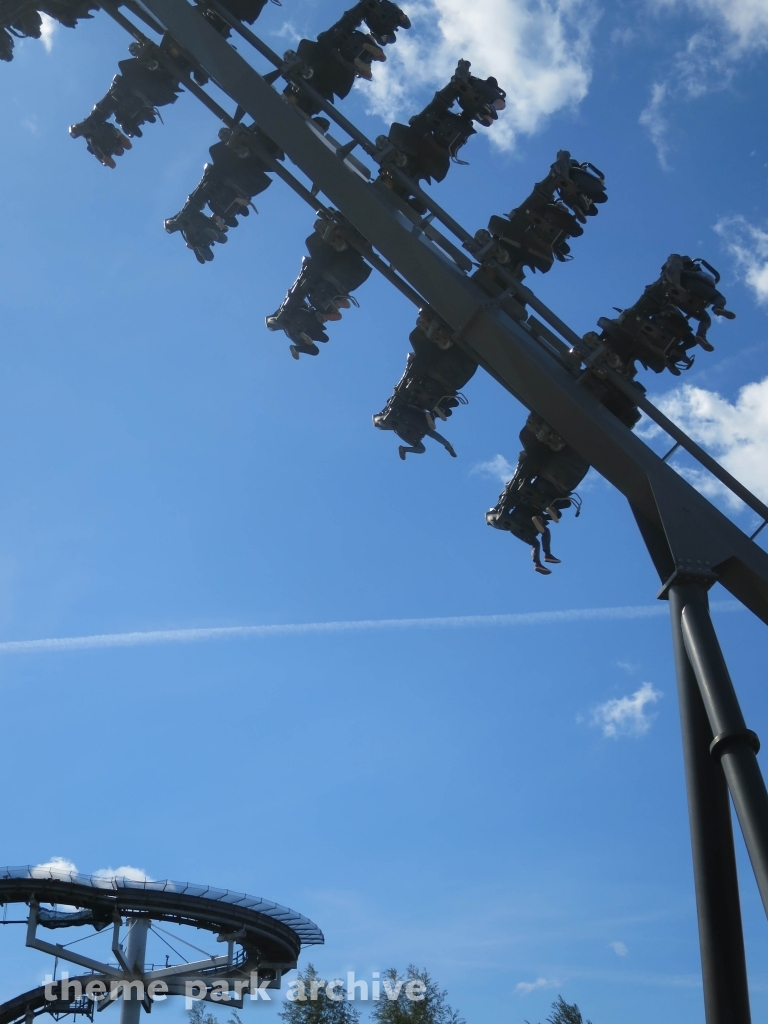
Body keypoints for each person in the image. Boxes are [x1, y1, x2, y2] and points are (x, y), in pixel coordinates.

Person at [377, 60, 505, 211]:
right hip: (428, 145)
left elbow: (489, 117)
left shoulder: (481, 89)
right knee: (429, 116)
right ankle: (400, 159)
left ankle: (400, 159)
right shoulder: (481, 89)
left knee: (430, 115)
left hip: (430, 146)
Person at [592, 253, 736, 376]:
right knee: (705, 318)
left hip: (671, 315)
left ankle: (676, 354)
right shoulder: (688, 280)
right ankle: (711, 318)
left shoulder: (672, 287)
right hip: (677, 312)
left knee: (687, 337)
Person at [165, 123, 282, 262]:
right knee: (208, 193)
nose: (223, 137)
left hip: (239, 179)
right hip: (237, 182)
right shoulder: (224, 156)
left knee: (207, 191)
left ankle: (198, 235)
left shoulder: (227, 154)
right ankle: (201, 236)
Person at [372, 312, 478, 456]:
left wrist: (446, 444)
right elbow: (432, 437)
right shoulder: (406, 424)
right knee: (442, 410)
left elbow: (431, 437)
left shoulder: (399, 409)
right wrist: (447, 445)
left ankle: (434, 412)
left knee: (433, 418)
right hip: (422, 405)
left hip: (420, 400)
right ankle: (435, 412)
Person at [266, 218, 372, 358]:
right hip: (321, 301)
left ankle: (303, 339)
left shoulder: (311, 302)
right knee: (322, 338)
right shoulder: (315, 305)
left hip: (321, 297)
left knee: (329, 320)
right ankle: (303, 340)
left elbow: (343, 306)